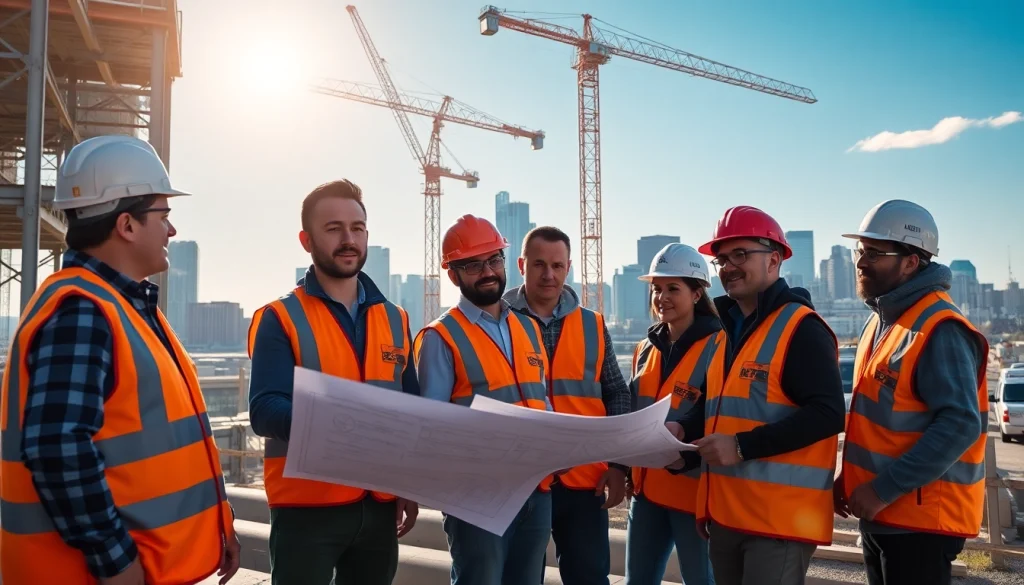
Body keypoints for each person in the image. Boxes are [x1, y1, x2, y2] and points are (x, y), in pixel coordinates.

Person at [0, 135, 240, 585]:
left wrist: (218, 526)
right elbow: (57, 449)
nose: (172, 230)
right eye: (163, 216)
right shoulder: (83, 312)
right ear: (127, 225)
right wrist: (116, 564)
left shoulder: (123, 308)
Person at [247, 179, 420, 585]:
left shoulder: (396, 318)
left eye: (357, 228)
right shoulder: (279, 317)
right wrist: (344, 423)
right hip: (307, 509)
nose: (349, 239)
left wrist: (408, 484)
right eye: (334, 229)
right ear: (306, 240)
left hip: (380, 506)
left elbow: (412, 411)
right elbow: (265, 410)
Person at [688, 205, 846, 585]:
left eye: (741, 254)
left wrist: (742, 446)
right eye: (721, 259)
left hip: (778, 522)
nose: (728, 266)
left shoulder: (801, 328)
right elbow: (719, 406)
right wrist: (683, 430)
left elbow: (828, 414)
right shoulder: (726, 331)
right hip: (727, 514)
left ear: (774, 260)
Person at [835, 200, 988, 585]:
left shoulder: (940, 327)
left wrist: (883, 489)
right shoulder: (882, 322)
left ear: (911, 262)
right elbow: (880, 420)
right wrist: (851, 480)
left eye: (875, 252)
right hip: (883, 514)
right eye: (860, 250)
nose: (861, 261)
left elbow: (959, 425)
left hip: (918, 524)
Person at [414, 214, 553, 585]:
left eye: (493, 259)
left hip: (535, 491)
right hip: (478, 499)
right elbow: (431, 431)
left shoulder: (528, 327)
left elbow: (542, 402)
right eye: (473, 264)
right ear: (453, 274)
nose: (487, 271)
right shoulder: (440, 338)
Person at [502, 225, 631, 585]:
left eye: (558, 266)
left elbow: (617, 393)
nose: (549, 275)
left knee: (589, 578)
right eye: (539, 264)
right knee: (519, 578)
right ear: (521, 264)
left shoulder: (593, 324)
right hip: (520, 481)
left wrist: (618, 464)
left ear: (569, 266)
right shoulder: (496, 322)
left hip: (583, 481)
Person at [625, 243, 721, 585]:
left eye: (673, 289)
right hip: (646, 493)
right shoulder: (645, 348)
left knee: (701, 580)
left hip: (691, 495)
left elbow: (720, 416)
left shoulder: (719, 346)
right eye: (657, 289)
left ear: (697, 294)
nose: (661, 297)